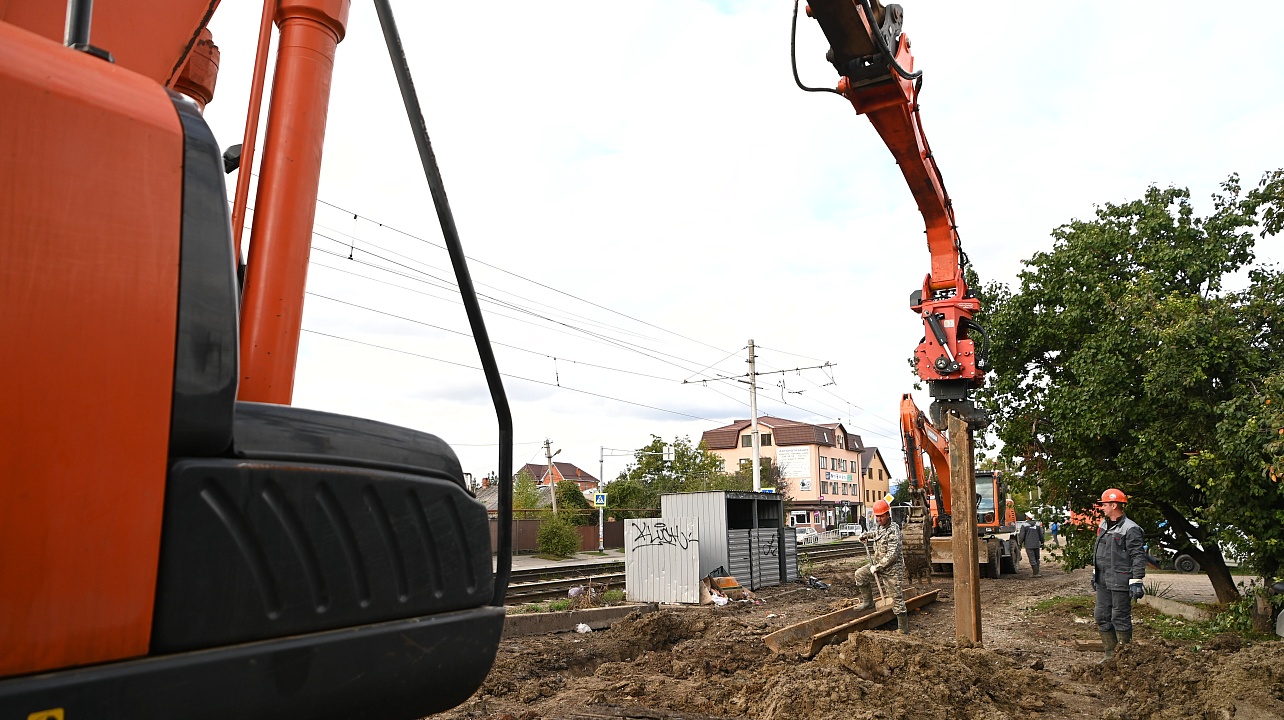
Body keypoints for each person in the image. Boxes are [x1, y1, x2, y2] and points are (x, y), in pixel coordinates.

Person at [1092, 488, 1147, 660]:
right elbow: (1099, 550)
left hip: (1120, 579)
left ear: (1114, 505)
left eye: (1105, 504)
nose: (1102, 508)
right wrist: (1095, 572)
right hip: (1103, 579)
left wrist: (1136, 580)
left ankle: (1124, 659)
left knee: (1120, 617)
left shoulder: (1131, 529)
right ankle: (1110, 657)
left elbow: (1138, 556)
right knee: (1101, 616)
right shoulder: (1103, 525)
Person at [853, 499, 908, 633]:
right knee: (859, 574)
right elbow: (875, 534)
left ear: (888, 515)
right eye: (877, 516)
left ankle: (903, 628)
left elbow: (892, 555)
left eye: (881, 516)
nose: (879, 519)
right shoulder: (879, 527)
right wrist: (865, 535)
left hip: (892, 570)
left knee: (896, 598)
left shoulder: (893, 530)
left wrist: (877, 567)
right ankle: (868, 602)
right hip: (877, 565)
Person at [1018, 512, 1045, 576]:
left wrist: (1020, 543)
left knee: (1032, 559)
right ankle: (1037, 572)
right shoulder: (1037, 525)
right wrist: (1042, 542)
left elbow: (1022, 536)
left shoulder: (1024, 525)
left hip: (1029, 545)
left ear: (1027, 517)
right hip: (1036, 544)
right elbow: (1041, 535)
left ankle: (1035, 573)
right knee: (1037, 558)